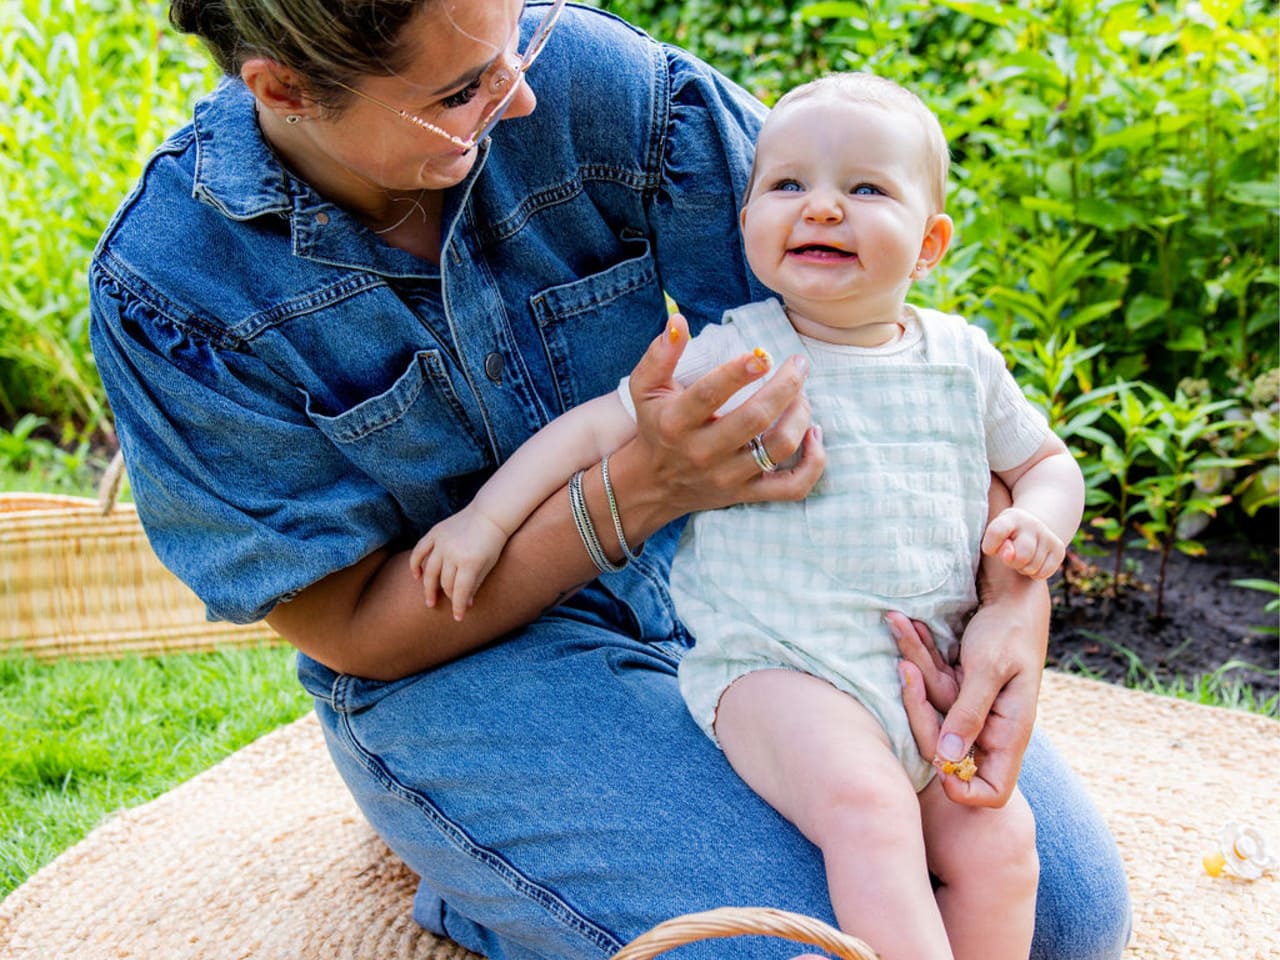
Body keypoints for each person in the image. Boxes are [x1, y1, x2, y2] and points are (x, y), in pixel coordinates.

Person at [89, 2, 1130, 957]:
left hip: (757, 599)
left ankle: (555, 868)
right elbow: (353, 625)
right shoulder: (176, 286)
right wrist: (644, 488)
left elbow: (875, 343)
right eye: (462, 92)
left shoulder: (602, 87)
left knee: (1064, 915)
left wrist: (1009, 608)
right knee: (789, 949)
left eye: (517, 48)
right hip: (466, 666)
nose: (524, 97)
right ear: (280, 91)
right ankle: (493, 860)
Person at [410, 72, 1084, 959]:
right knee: (868, 812)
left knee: (1003, 844)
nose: (824, 209)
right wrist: (485, 522)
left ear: (929, 244)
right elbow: (594, 429)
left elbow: (1044, 462)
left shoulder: (961, 357)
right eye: (788, 185)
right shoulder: (743, 351)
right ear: (747, 220)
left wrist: (1039, 523)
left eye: (866, 189)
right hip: (781, 671)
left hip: (926, 670)